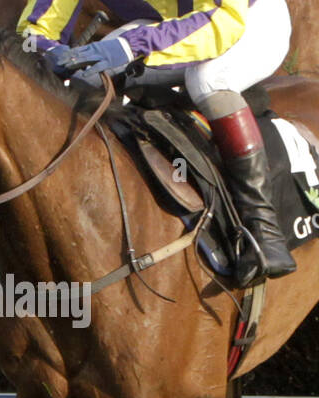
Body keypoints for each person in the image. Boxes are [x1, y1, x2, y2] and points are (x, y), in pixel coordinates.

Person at [19, 0, 297, 283]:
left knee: (206, 78)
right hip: (164, 24)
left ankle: (263, 227)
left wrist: (133, 46)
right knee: (89, 77)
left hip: (247, 21)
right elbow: (34, 29)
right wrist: (49, 51)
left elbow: (223, 23)